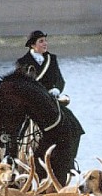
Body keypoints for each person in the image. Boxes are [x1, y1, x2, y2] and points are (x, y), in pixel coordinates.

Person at [15, 30, 85, 169]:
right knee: (15, 130)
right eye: (41, 41)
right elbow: (20, 86)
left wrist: (57, 90)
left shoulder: (51, 59)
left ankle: (70, 162)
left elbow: (60, 80)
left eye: (45, 41)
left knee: (75, 127)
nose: (45, 44)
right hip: (32, 104)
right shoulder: (22, 62)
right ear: (32, 45)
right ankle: (12, 160)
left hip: (51, 101)